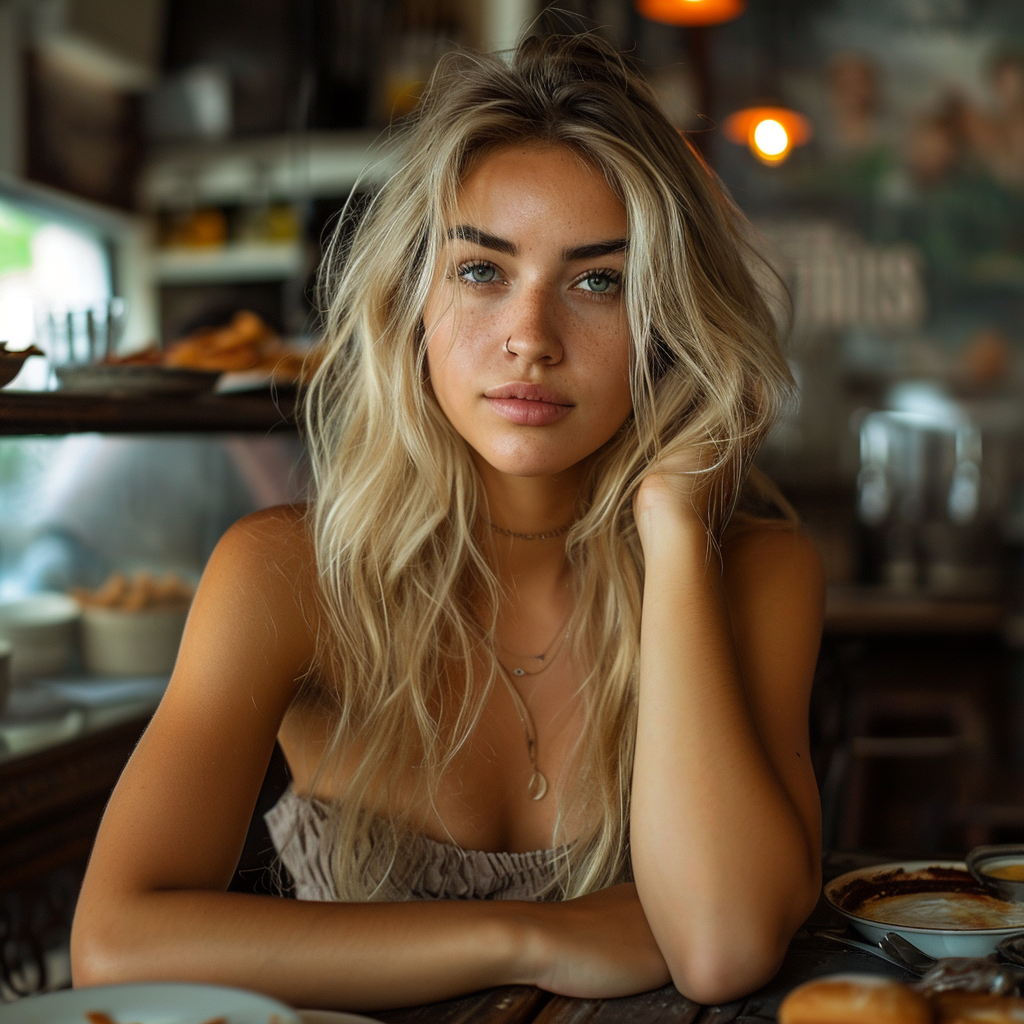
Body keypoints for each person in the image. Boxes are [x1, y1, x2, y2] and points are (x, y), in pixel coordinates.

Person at [70, 32, 824, 1011]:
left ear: (669, 326)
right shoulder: (286, 575)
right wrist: (530, 935)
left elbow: (722, 949)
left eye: (599, 281)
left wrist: (673, 527)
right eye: (481, 271)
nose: (530, 339)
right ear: (409, 298)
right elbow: (116, 943)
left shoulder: (751, 571)